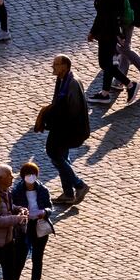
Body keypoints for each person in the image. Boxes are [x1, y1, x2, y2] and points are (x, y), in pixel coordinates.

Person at [40, 54, 92, 204]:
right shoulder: (62, 78)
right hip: (61, 125)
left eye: (56, 64)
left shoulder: (73, 83)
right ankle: (68, 193)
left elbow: (73, 110)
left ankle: (79, 185)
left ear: (64, 66)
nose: (53, 67)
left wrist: (55, 120)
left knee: (53, 153)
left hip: (67, 128)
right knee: (61, 156)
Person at [10, 161, 54, 280]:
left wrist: (44, 212)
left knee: (37, 260)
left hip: (39, 226)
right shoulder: (16, 191)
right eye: (28, 174)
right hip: (24, 228)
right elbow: (12, 207)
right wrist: (21, 212)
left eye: (33, 174)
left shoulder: (42, 190)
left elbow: (49, 207)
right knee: (18, 261)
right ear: (23, 176)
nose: (31, 177)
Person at [88, 0, 130, 102]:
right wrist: (93, 32)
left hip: (109, 33)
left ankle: (126, 85)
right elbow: (101, 14)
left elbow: (113, 15)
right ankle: (109, 91)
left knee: (106, 63)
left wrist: (118, 34)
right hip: (104, 32)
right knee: (105, 63)